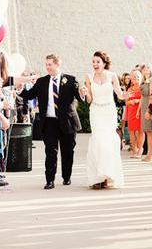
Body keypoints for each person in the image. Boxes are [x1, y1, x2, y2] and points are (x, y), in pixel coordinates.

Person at [18, 54, 85, 189]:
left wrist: (83, 93)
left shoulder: (70, 80)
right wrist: (20, 89)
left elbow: (80, 97)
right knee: (50, 152)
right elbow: (30, 94)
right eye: (46, 64)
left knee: (67, 151)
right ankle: (50, 180)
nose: (47, 67)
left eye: (50, 64)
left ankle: (67, 177)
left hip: (67, 121)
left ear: (57, 64)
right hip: (49, 122)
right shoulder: (42, 81)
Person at [84, 51, 125, 189]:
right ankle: (97, 177)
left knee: (107, 143)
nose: (95, 64)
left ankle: (106, 176)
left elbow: (119, 94)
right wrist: (84, 93)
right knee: (97, 141)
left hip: (109, 112)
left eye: (98, 62)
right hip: (96, 111)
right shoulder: (88, 77)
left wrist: (127, 95)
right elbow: (89, 100)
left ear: (104, 63)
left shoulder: (112, 76)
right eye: (93, 61)